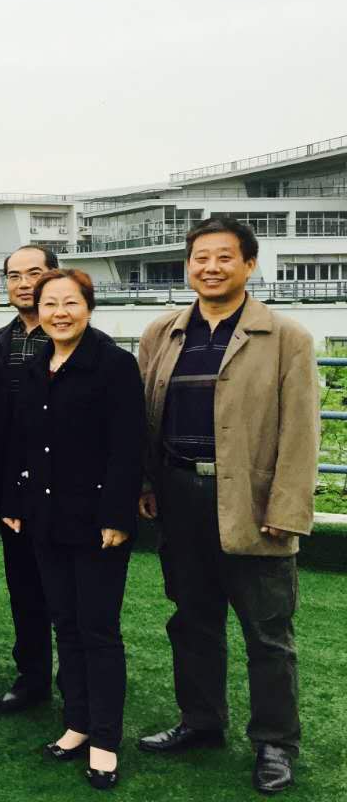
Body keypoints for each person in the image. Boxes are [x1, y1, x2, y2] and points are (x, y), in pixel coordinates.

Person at [136, 217, 317, 796]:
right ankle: (201, 721)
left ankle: (275, 743)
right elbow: (145, 418)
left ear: (249, 264)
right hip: (179, 494)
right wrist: (146, 483)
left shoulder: (285, 336)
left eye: (224, 257)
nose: (210, 268)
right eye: (200, 257)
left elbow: (301, 433)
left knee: (268, 633)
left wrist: (286, 509)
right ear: (188, 265)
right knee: (192, 620)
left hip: (252, 502)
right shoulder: (162, 333)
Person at [1, 269, 143, 790]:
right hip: (44, 517)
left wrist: (117, 516)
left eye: (70, 303)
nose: (59, 313)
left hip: (97, 521)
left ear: (89, 306)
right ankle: (77, 722)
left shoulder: (114, 364)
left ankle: (105, 738)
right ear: (37, 312)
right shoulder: (36, 365)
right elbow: (20, 441)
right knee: (64, 623)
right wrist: (14, 502)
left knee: (98, 629)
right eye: (50, 304)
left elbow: (128, 447)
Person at [0, 244, 59, 713]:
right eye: (14, 276)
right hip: (14, 484)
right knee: (24, 586)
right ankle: (32, 677)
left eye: (34, 273)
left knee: (70, 592)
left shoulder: (78, 339)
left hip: (68, 485)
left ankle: (79, 681)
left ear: (53, 275)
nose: (24, 284)